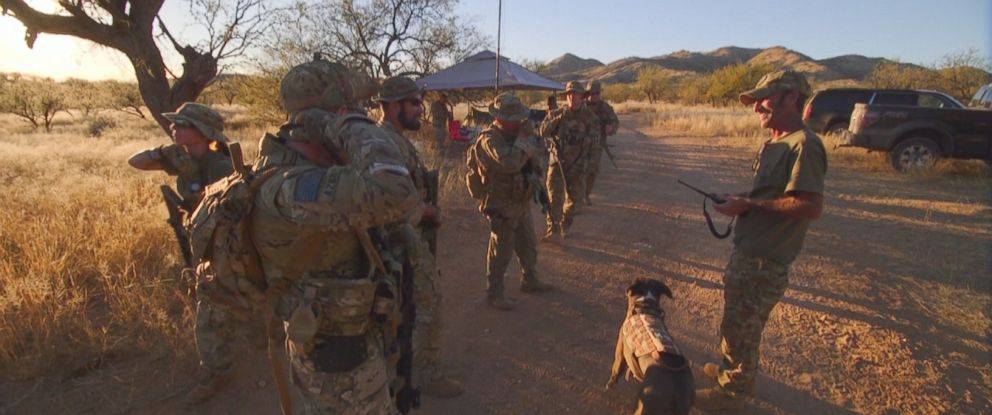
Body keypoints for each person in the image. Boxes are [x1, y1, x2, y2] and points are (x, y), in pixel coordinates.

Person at [250, 56, 419, 414]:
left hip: (351, 339)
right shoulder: (292, 186)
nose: (361, 117)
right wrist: (349, 125)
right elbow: (397, 191)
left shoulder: (315, 171)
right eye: (353, 111)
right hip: (335, 360)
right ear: (335, 116)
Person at [695, 70, 827, 411]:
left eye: (764, 99)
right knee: (735, 321)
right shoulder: (775, 142)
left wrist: (749, 205)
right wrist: (739, 199)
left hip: (765, 261)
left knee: (743, 327)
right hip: (749, 252)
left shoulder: (805, 145)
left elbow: (810, 205)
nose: (757, 108)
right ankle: (732, 374)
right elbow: (769, 195)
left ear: (792, 98)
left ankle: (733, 394)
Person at [127, 102, 237, 404]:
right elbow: (135, 161)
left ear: (201, 131)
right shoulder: (183, 159)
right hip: (200, 243)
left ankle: (217, 372)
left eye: (182, 124)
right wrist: (163, 154)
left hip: (223, 248)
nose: (174, 127)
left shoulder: (222, 167)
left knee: (212, 306)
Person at [374, 76, 464, 398]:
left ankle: (405, 375)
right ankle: (426, 375)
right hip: (399, 241)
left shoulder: (394, 139)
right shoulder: (382, 142)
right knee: (426, 306)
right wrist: (425, 212)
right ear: (394, 106)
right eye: (414, 103)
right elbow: (388, 199)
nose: (420, 110)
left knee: (406, 309)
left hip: (404, 239)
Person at [470, 93, 553, 310]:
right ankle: (495, 292)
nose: (519, 121)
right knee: (501, 250)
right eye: (514, 118)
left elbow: (537, 158)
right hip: (500, 203)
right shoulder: (489, 139)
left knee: (527, 245)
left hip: (520, 199)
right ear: (499, 118)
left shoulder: (517, 135)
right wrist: (524, 141)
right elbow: (510, 163)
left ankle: (530, 279)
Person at [538, 81, 599, 241]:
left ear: (582, 96)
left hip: (578, 165)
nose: (572, 97)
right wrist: (558, 118)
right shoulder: (557, 113)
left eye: (576, 94)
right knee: (553, 197)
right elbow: (543, 131)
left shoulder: (590, 118)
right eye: (569, 94)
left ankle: (565, 223)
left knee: (575, 201)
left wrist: (591, 166)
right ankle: (553, 229)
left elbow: (595, 143)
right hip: (557, 163)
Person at [583, 80, 619, 205]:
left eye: (597, 93)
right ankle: (573, 197)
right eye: (592, 93)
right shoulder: (581, 106)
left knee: (592, 171)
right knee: (576, 170)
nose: (594, 96)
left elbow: (615, 122)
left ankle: (585, 195)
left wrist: (611, 128)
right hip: (579, 145)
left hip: (597, 145)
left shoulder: (606, 108)